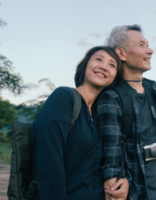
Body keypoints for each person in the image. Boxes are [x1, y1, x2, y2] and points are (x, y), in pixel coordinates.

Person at [97, 24, 156, 200]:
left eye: (148, 44)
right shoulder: (111, 97)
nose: (150, 50)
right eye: (141, 45)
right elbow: (110, 161)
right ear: (121, 53)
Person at [32, 46, 129, 200]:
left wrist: (123, 180)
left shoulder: (99, 115)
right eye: (99, 59)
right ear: (85, 65)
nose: (104, 66)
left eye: (112, 65)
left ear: (114, 78)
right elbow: (49, 164)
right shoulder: (64, 98)